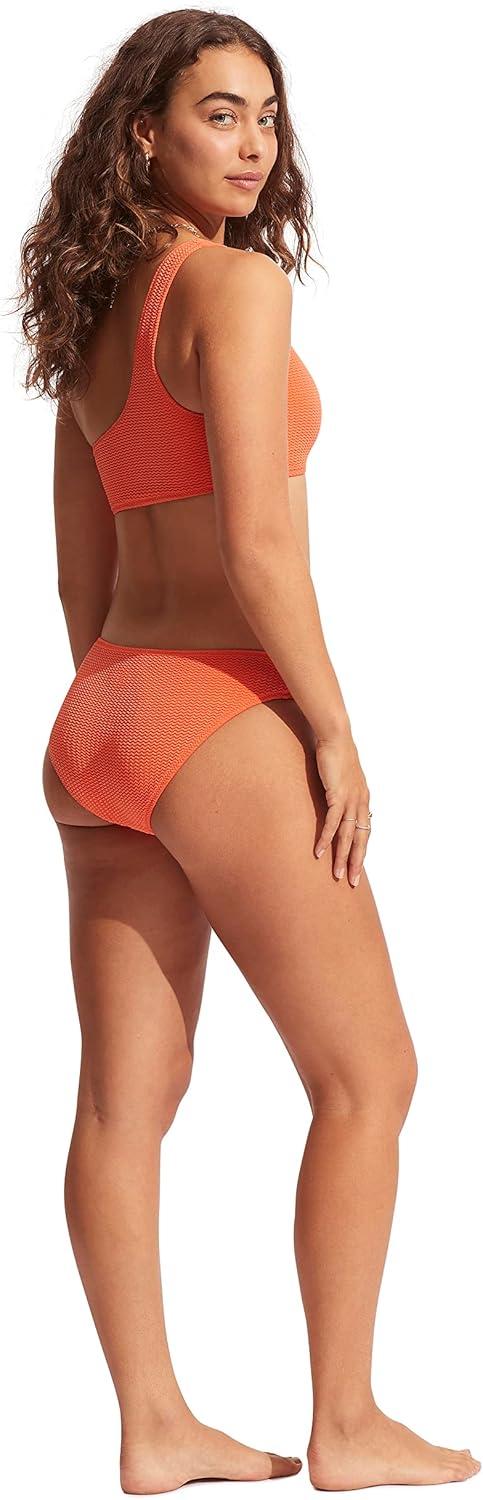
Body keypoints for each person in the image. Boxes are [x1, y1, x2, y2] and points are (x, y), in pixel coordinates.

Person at [17, 11, 480, 1496]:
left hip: (103, 711)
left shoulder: (92, 317)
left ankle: (154, 1425)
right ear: (143, 131)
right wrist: (330, 731)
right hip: (213, 705)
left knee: (123, 1103)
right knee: (369, 1075)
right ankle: (347, 1424)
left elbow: (80, 569)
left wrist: (126, 716)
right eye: (221, 113)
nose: (257, 144)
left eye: (268, 116)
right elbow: (262, 548)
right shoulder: (234, 285)